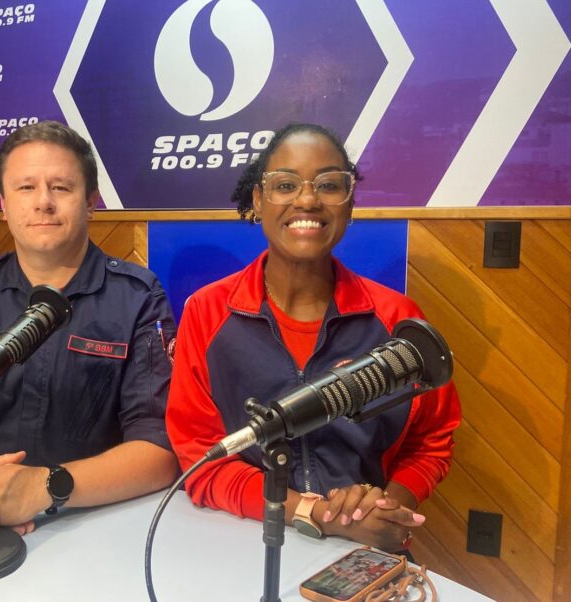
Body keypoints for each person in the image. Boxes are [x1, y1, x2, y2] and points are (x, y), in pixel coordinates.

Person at [165, 123, 461, 552]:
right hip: (242, 536)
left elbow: (431, 442)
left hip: (361, 545)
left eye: (328, 185)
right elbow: (200, 457)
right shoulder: (207, 312)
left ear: (349, 201)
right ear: (258, 200)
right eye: (286, 185)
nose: (307, 200)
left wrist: (386, 509)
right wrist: (314, 512)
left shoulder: (398, 318)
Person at [0, 121, 178, 534]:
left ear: (91, 202)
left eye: (61, 187)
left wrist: (43, 488)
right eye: (26, 188)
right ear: (4, 204)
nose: (43, 202)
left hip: (96, 521)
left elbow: (159, 450)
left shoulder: (137, 298)